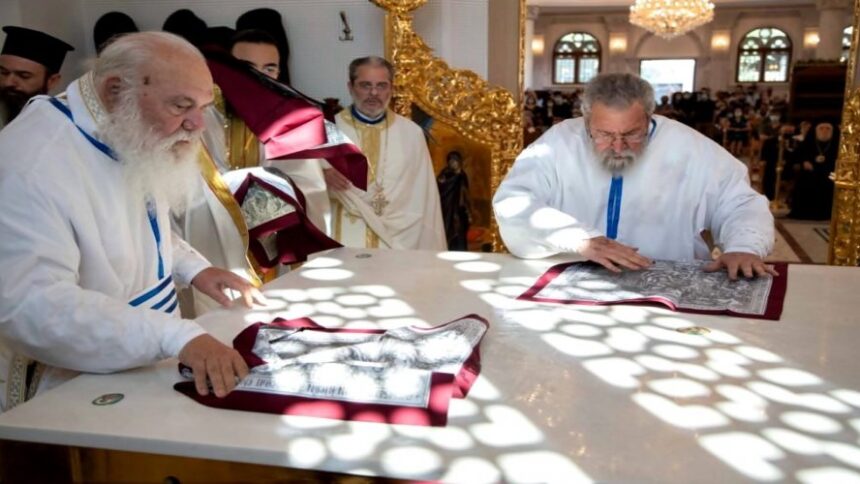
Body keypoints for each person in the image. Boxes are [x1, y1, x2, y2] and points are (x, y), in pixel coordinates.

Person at [0, 32, 263, 412]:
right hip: (66, 381)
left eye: (204, 106)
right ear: (116, 90)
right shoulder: (33, 163)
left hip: (141, 357)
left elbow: (137, 224)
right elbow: (34, 306)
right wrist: (175, 336)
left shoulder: (119, 126)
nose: (197, 124)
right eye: (181, 106)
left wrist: (194, 269)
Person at [493, 73, 776, 280]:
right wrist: (578, 238)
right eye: (604, 134)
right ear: (586, 120)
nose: (618, 147)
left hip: (667, 279)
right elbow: (514, 201)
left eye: (632, 134)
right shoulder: (558, 143)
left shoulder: (690, 147)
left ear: (650, 117)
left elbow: (740, 202)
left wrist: (743, 246)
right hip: (573, 276)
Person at [325, 56, 446, 250]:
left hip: (402, 237)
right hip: (345, 235)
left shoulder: (412, 133)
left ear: (391, 88)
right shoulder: (327, 131)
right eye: (365, 85)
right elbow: (299, 180)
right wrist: (321, 175)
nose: (374, 93)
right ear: (350, 87)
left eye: (381, 86)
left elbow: (424, 196)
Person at [0, 26, 73, 129]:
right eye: (3, 72)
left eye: (23, 76)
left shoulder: (60, 127)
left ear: (52, 81)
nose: (8, 82)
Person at [789, 122, 838, 220]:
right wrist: (803, 163)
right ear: (815, 131)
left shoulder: (837, 146)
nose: (824, 131)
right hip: (808, 177)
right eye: (821, 128)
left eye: (828, 128)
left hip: (829, 177)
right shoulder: (806, 144)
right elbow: (793, 161)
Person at [437, 151, 472, 251]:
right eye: (451, 161)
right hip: (449, 208)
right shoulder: (446, 173)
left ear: (459, 161)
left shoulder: (463, 175)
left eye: (455, 161)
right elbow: (441, 184)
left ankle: (461, 249)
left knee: (460, 231)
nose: (453, 163)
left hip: (460, 208)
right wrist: (444, 181)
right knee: (450, 229)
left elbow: (466, 193)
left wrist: (469, 211)